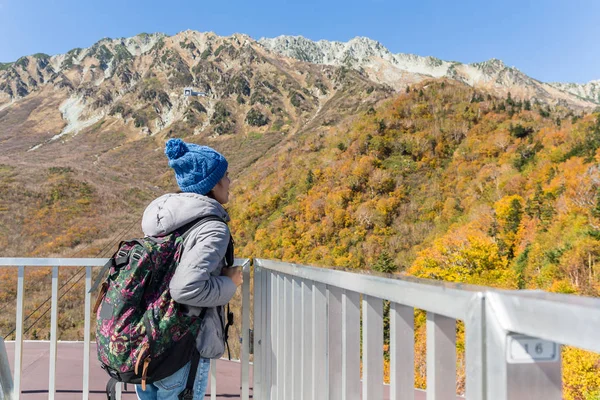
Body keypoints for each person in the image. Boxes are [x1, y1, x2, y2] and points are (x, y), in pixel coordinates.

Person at [136, 138, 243, 399]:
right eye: (225, 176)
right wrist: (231, 283)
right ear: (213, 183)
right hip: (182, 349)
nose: (229, 182)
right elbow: (185, 288)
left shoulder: (164, 222)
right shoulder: (212, 228)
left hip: (148, 341)